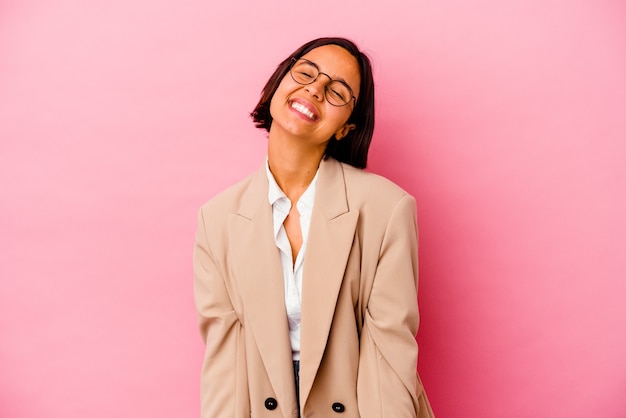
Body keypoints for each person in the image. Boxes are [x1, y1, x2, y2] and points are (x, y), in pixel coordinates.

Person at [193, 37, 434, 417]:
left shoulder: (386, 208)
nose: (315, 89)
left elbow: (389, 352)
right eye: (305, 72)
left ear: (346, 128)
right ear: (277, 87)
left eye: (337, 91)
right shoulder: (217, 218)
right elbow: (225, 363)